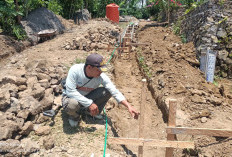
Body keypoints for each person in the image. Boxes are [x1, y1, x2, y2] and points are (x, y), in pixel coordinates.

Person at [62, 53, 139, 127]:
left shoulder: (101, 76)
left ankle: (89, 112)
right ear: (89, 67)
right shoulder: (75, 70)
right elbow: (70, 92)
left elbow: (114, 91)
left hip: (87, 96)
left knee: (107, 91)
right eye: (98, 70)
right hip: (71, 98)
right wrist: (90, 103)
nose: (101, 72)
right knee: (72, 104)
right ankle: (74, 116)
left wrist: (129, 106)